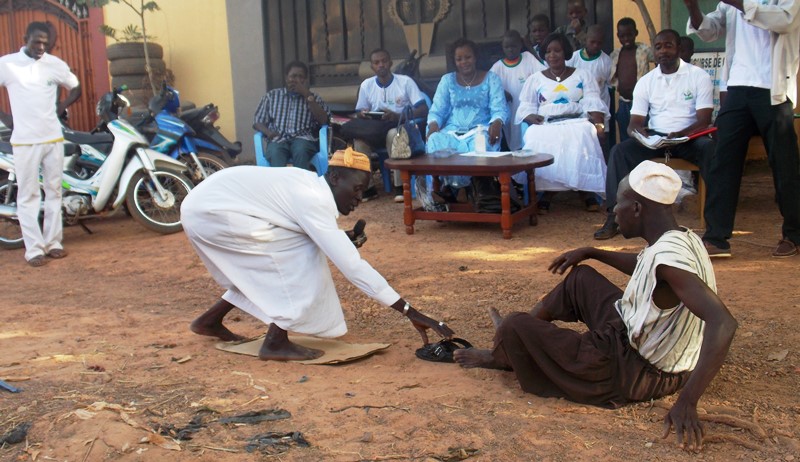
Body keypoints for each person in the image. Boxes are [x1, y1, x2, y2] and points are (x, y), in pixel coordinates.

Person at [455, 161, 738, 452]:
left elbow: (724, 322)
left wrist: (688, 401)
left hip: (635, 371)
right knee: (580, 278)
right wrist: (593, 252)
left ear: (637, 208)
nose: (613, 210)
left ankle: (506, 348)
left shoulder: (669, 261)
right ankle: (509, 344)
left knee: (516, 323)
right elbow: (645, 266)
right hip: (633, 339)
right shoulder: (683, 238)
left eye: (618, 203)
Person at [182, 147, 454, 361]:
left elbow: (298, 227)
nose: (359, 198)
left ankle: (209, 321)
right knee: (301, 256)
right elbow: (353, 267)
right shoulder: (312, 198)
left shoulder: (309, 185)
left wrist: (341, 237)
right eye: (356, 189)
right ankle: (275, 342)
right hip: (213, 214)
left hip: (204, 209)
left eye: (363, 191)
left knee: (275, 261)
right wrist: (411, 312)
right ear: (335, 178)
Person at [684, 0, 800, 258]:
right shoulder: (728, 5)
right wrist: (692, 7)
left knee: (785, 164)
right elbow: (710, 30)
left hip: (773, 89)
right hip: (737, 87)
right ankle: (716, 237)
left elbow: (785, 21)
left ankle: (793, 235)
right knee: (722, 161)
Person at [595, 29, 715, 240]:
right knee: (619, 152)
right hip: (657, 139)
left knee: (711, 150)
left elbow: (704, 120)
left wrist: (680, 134)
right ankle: (613, 217)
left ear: (679, 48)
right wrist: (640, 134)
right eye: (658, 47)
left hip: (689, 137)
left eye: (668, 46)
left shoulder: (698, 76)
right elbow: (634, 124)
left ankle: (714, 225)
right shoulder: (646, 81)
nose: (663, 51)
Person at [0, 21, 81, 267]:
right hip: (25, 142)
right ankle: (34, 250)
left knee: (54, 191)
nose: (41, 47)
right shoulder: (8, 64)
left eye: (45, 43)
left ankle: (54, 243)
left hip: (53, 138)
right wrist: (5, 118)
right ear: (25, 39)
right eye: (37, 42)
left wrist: (61, 107)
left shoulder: (54, 64)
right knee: (28, 195)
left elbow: (75, 86)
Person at [516, 32, 608, 213]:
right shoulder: (535, 79)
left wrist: (599, 125)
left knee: (586, 132)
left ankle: (585, 191)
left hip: (577, 122)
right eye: (548, 51)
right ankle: (548, 192)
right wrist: (530, 117)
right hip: (548, 124)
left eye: (557, 50)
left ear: (565, 52)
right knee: (534, 134)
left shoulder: (583, 75)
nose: (552, 55)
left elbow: (593, 101)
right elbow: (526, 106)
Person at [339, 48, 428, 202]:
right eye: (376, 62)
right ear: (372, 67)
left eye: (384, 61)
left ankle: (400, 186)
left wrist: (397, 116)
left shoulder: (405, 82)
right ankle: (368, 188)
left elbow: (423, 109)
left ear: (391, 63)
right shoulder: (366, 85)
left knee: (394, 134)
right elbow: (359, 112)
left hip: (399, 126)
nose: (381, 65)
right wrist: (363, 114)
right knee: (359, 142)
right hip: (375, 130)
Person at [426, 38, 508, 201]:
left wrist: (497, 122)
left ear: (475, 57)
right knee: (435, 140)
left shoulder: (491, 78)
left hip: (480, 130)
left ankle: (471, 188)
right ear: (454, 61)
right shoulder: (447, 80)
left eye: (468, 57)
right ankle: (449, 188)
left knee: (481, 144)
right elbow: (437, 109)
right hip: (452, 131)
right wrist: (433, 125)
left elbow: (499, 107)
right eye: (459, 59)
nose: (464, 62)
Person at [253, 61, 331, 171]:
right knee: (275, 152)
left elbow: (324, 121)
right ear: (286, 78)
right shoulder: (272, 96)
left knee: (301, 150)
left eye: (301, 77)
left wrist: (307, 95)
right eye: (293, 76)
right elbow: (258, 121)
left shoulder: (314, 98)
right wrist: (268, 132)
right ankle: (278, 182)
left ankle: (300, 181)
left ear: (305, 80)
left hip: (303, 138)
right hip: (278, 138)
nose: (297, 80)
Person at [490, 30, 546, 151]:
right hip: (511, 109)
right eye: (507, 47)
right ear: (502, 47)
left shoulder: (528, 58)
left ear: (520, 45)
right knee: (513, 140)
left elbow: (544, 73)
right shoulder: (497, 67)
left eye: (514, 46)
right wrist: (501, 92)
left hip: (529, 109)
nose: (510, 50)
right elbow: (489, 87)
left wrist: (530, 48)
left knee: (530, 139)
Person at [567, 24, 613, 151]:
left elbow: (610, 85)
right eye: (592, 42)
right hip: (578, 113)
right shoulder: (573, 58)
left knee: (600, 145)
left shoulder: (606, 61)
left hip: (599, 114)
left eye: (599, 43)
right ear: (585, 39)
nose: (595, 45)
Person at [609, 17, 655, 143]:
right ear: (618, 36)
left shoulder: (644, 50)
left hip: (642, 102)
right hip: (623, 102)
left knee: (644, 134)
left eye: (629, 35)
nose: (626, 39)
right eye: (622, 36)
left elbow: (658, 57)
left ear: (636, 33)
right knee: (626, 137)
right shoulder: (615, 54)